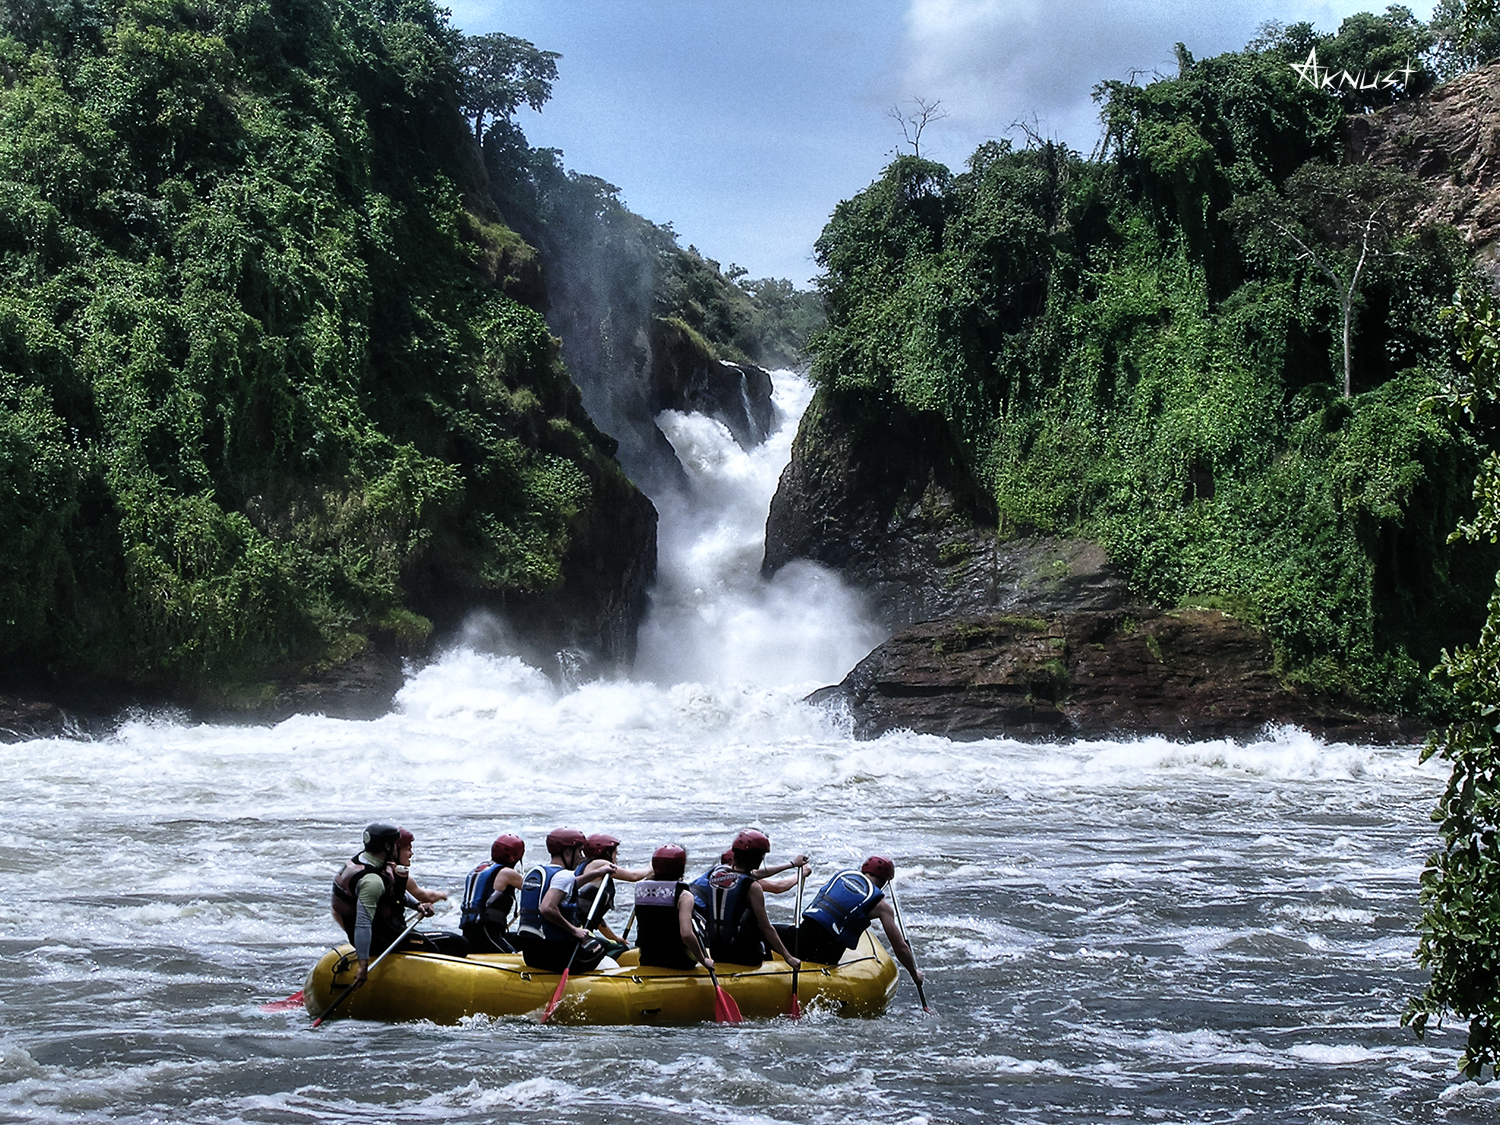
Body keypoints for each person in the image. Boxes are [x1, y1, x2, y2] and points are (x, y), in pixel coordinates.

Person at [790, 856, 923, 986]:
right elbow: (900, 947)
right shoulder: (882, 907)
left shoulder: (842, 878)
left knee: (776, 935)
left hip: (799, 939)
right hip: (826, 954)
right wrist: (914, 973)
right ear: (885, 880)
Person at [331, 822, 435, 985]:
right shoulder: (372, 881)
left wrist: (417, 905)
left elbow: (390, 890)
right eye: (395, 844)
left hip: (383, 931)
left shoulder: (367, 861)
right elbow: (363, 924)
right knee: (446, 946)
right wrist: (363, 966)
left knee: (449, 940)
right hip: (380, 940)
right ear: (387, 846)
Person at [690, 828, 801, 969]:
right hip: (746, 955)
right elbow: (766, 928)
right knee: (774, 932)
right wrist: (788, 957)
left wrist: (792, 864)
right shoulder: (753, 888)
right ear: (757, 858)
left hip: (717, 951)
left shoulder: (717, 873)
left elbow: (753, 873)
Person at [516, 826, 616, 973]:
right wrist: (574, 930)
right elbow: (547, 908)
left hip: (531, 954)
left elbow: (571, 884)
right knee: (601, 944)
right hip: (557, 957)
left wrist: (597, 872)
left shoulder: (536, 872)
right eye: (579, 851)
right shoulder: (564, 876)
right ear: (568, 852)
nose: (582, 857)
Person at [632, 844, 713, 971]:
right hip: (679, 960)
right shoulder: (684, 895)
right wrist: (703, 960)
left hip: (648, 957)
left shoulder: (641, 890)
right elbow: (686, 935)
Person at [574, 832, 651, 958]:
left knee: (617, 943)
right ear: (606, 854)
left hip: (580, 927)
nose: (616, 858)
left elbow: (596, 919)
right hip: (579, 930)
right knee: (620, 948)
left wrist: (614, 937)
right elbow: (633, 876)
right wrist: (650, 868)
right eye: (615, 854)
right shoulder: (599, 864)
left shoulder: (584, 866)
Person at [460, 834, 526, 953]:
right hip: (485, 933)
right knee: (513, 956)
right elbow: (535, 889)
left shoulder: (479, 869)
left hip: (470, 930)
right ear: (515, 857)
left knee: (526, 940)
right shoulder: (507, 873)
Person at [393, 827, 448, 906]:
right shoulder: (399, 876)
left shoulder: (382, 870)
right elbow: (426, 897)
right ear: (394, 850)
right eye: (408, 849)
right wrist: (443, 895)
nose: (411, 853)